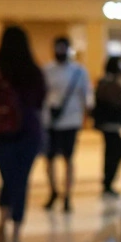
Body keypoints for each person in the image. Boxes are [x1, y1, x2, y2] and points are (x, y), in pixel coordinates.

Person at [0, 26, 46, 242]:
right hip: (29, 131)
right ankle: (16, 234)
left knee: (8, 179)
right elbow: (40, 101)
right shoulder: (33, 71)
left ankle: (1, 223)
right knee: (21, 181)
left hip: (2, 132)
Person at [43, 36, 91, 212]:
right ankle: (53, 190)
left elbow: (86, 94)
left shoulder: (78, 71)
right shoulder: (47, 70)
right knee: (49, 159)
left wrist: (87, 113)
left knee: (68, 159)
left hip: (71, 120)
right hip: (51, 121)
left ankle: (67, 194)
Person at [92, 56, 121, 201]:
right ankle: (108, 182)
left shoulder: (104, 82)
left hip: (108, 123)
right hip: (113, 123)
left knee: (110, 152)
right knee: (114, 153)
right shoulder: (112, 84)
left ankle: (108, 182)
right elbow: (119, 101)